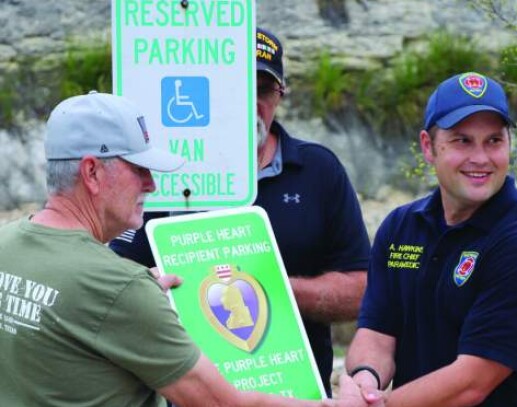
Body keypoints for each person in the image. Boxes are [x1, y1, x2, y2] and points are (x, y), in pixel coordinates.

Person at [0, 91, 365, 406]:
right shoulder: (118, 287)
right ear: (92, 173)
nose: (151, 185)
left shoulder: (8, 244)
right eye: (138, 168)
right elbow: (223, 403)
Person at [110, 27, 371, 396]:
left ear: (280, 95)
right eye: (235, 87)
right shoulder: (165, 174)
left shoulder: (319, 170)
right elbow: (112, 275)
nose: (248, 103)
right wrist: (150, 291)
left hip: (296, 395)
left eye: (262, 89)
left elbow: (363, 290)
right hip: (190, 396)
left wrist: (268, 288)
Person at [345, 72, 517, 406]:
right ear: (428, 147)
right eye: (462, 141)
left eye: (494, 141)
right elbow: (377, 332)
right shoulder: (400, 227)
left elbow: (472, 381)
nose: (480, 158)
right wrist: (364, 381)